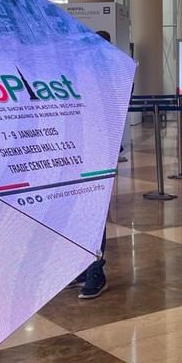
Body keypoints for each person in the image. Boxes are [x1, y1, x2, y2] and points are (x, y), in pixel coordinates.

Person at [72, 29, 115, 298]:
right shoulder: (77, 73)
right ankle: (82, 265)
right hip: (73, 148)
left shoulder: (114, 76)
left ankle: (94, 269)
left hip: (98, 151)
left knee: (93, 211)